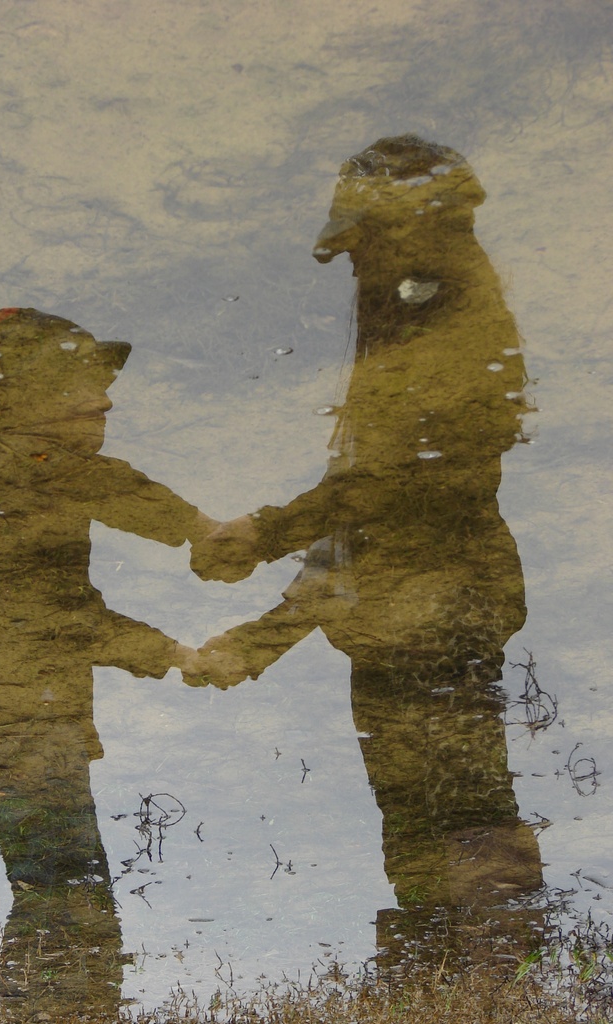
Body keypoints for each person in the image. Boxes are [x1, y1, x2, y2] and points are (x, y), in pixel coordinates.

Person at [188, 137, 543, 961]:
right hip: (396, 624)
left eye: (367, 241)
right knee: (419, 824)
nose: (355, 265)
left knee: (466, 820)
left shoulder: (450, 311)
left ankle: (496, 1020)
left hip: (441, 615)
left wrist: (267, 532)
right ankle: (436, 1008)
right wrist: (265, 635)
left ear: (415, 226)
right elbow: (364, 524)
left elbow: (402, 491)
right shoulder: (410, 311)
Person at [0, 307, 217, 1011]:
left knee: (62, 892)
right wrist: (203, 531)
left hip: (28, 719)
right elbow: (107, 492)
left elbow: (72, 608)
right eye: (80, 384)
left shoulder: (21, 477)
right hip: (23, 723)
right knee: (66, 900)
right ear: (28, 399)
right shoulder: (28, 466)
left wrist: (172, 652)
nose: (104, 399)